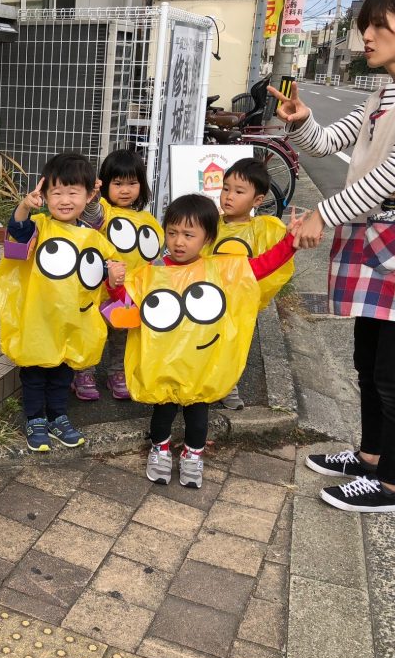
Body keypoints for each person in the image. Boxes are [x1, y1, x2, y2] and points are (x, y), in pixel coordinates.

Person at [270, 0, 395, 513]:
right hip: (384, 242)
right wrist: (301, 122)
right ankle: (369, 458)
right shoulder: (383, 92)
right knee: (368, 362)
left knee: (394, 373)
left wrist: (320, 213)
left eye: (379, 25)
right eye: (364, 24)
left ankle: (389, 485)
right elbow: (325, 143)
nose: (366, 35)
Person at [106, 195, 300, 488]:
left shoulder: (221, 271)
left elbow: (261, 267)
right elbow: (126, 300)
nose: (178, 242)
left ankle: (192, 456)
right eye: (172, 233)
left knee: (199, 417)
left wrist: (291, 242)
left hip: (200, 367)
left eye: (188, 234)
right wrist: (114, 283)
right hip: (164, 367)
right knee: (162, 412)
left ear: (207, 238)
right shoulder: (152, 272)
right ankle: (159, 450)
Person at [0, 152, 119, 452]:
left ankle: (58, 416)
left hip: (71, 319)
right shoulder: (40, 226)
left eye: (73, 192)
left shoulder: (91, 236)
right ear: (46, 195)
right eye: (57, 192)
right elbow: (18, 231)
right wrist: (24, 206)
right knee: (35, 372)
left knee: (63, 372)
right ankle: (35, 419)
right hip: (39, 317)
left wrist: (111, 271)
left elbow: (96, 271)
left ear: (89, 195)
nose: (65, 199)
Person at [206, 157, 294, 410]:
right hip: (210, 297)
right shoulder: (210, 224)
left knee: (235, 343)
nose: (229, 196)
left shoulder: (262, 229)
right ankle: (203, 381)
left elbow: (274, 259)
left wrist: (291, 237)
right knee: (205, 340)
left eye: (239, 191)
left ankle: (228, 385)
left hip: (239, 301)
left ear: (257, 200)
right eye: (225, 188)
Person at [74, 149, 158, 402]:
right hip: (97, 288)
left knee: (122, 332)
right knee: (91, 331)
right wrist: (92, 197)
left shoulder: (147, 218)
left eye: (132, 183)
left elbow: (152, 252)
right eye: (118, 183)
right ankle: (83, 371)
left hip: (129, 290)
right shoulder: (103, 212)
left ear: (142, 186)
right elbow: (91, 217)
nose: (125, 190)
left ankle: (118, 372)